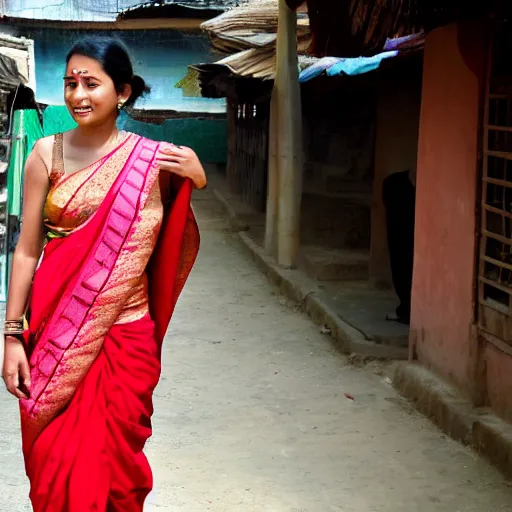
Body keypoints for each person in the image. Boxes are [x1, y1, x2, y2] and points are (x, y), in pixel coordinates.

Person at [1, 36, 206, 510]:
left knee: (111, 470)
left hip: (124, 341)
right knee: (56, 466)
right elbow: (27, 249)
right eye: (70, 83)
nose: (77, 95)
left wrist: (198, 177)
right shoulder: (44, 156)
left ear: (124, 92)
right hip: (54, 333)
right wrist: (12, 334)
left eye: (91, 83)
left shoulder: (153, 162)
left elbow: (176, 227)